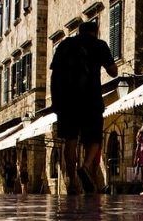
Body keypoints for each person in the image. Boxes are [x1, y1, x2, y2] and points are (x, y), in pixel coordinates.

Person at [49, 20, 118, 194]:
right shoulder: (99, 45)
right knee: (94, 139)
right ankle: (85, 166)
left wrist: (56, 101)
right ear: (96, 31)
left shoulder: (64, 45)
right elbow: (113, 72)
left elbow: (54, 74)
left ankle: (72, 182)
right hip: (91, 98)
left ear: (79, 31)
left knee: (70, 140)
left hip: (67, 100)